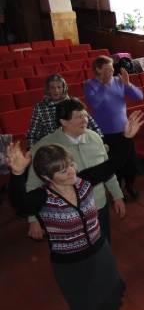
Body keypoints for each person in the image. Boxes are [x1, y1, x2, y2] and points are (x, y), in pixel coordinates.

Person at [6, 112, 144, 310]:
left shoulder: (83, 180)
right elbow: (19, 202)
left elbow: (113, 163)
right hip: (72, 266)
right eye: (63, 170)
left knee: (111, 303)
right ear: (47, 176)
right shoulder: (42, 198)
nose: (71, 171)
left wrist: (127, 138)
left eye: (70, 165)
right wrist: (17, 173)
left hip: (101, 253)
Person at [26, 98, 125, 243]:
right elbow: (32, 184)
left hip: (99, 206)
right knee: (76, 250)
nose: (85, 121)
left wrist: (117, 195)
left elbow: (107, 170)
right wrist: (33, 219)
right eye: (79, 117)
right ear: (64, 121)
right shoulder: (46, 147)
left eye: (85, 116)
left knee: (103, 244)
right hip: (66, 214)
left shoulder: (95, 138)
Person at [84, 55, 144, 199]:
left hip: (125, 130)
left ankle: (130, 185)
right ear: (98, 69)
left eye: (112, 67)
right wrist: (104, 85)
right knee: (114, 163)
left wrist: (128, 84)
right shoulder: (90, 84)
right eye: (108, 68)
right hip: (106, 132)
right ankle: (117, 191)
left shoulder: (118, 81)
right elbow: (94, 103)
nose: (111, 70)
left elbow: (139, 97)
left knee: (130, 161)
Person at [26, 74, 103, 150]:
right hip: (55, 149)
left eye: (59, 87)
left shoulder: (74, 101)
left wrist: (102, 141)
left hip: (80, 143)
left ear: (64, 87)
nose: (56, 91)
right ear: (47, 89)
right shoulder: (40, 107)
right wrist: (32, 151)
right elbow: (33, 133)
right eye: (52, 87)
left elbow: (91, 123)